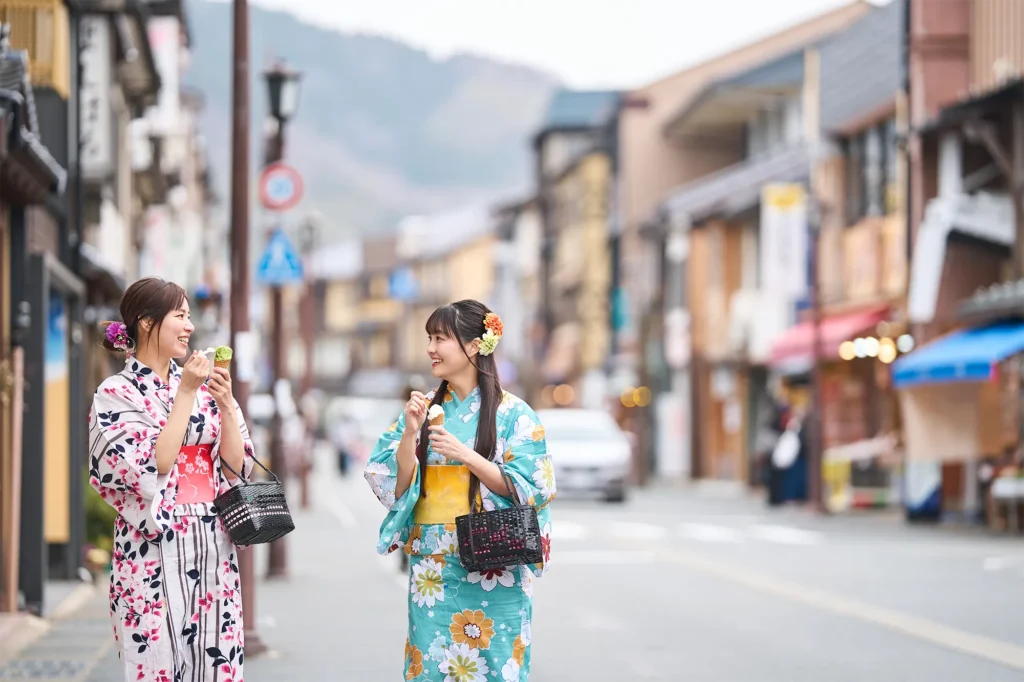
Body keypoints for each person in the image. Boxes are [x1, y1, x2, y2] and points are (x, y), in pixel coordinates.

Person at [364, 300, 556, 682]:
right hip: (434, 565)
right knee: (431, 667)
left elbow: (532, 486)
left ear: (474, 346)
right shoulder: (424, 408)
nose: (431, 348)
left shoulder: (514, 413)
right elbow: (394, 483)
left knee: (495, 664)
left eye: (440, 338)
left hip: (495, 562)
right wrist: (408, 433)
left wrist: (467, 456)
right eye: (429, 338)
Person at [88, 277, 256, 682]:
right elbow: (156, 463)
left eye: (189, 316)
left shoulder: (199, 386)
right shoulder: (116, 392)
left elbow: (237, 465)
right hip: (153, 548)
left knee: (216, 663)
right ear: (146, 323)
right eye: (180, 316)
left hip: (212, 542)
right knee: (157, 662)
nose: (189, 327)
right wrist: (185, 393)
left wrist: (226, 403)